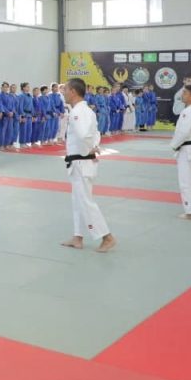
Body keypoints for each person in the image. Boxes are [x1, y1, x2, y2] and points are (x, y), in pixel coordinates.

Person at [61, 78, 115, 253]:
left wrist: (88, 151)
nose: (63, 93)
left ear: (73, 92)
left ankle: (107, 236)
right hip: (81, 161)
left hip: (81, 162)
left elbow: (84, 135)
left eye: (65, 89)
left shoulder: (78, 112)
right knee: (78, 200)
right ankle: (78, 237)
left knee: (85, 201)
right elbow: (95, 133)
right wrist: (93, 148)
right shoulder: (87, 111)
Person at [169, 84, 191, 220]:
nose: (182, 95)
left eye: (185, 93)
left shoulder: (189, 111)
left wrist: (174, 145)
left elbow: (184, 132)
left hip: (187, 149)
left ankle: (190, 211)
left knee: (186, 182)